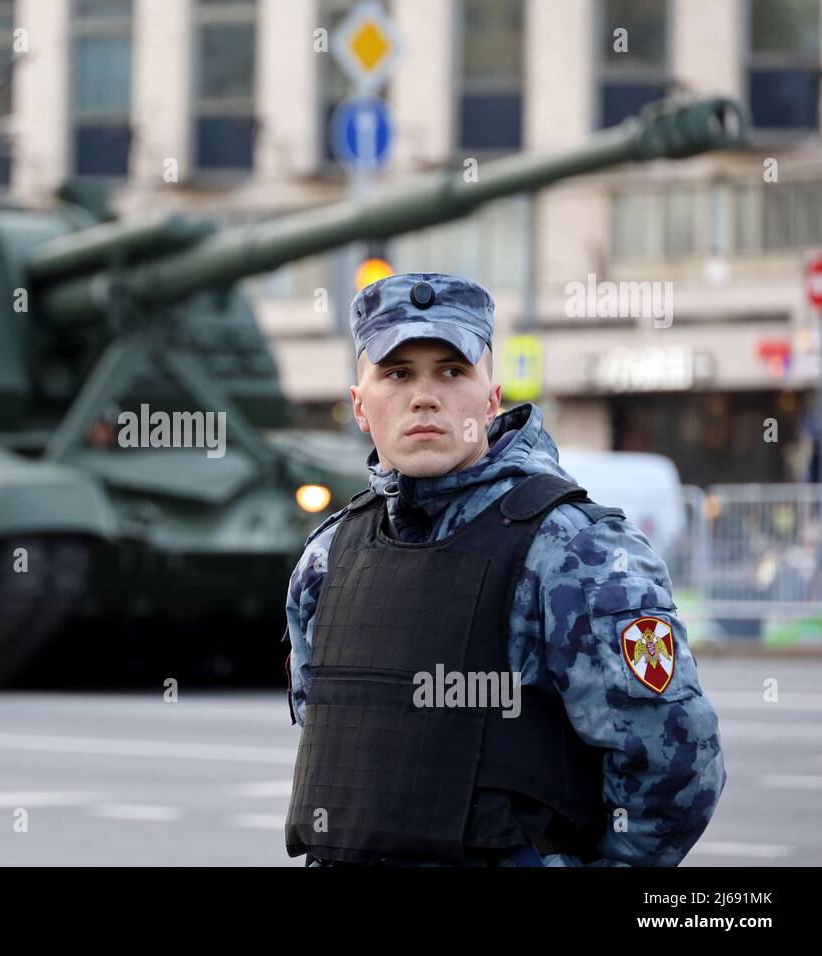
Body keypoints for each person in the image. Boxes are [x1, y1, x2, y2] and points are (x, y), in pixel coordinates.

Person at [282, 272, 725, 867]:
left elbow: (675, 768)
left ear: (491, 401)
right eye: (397, 373)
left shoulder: (575, 550)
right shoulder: (327, 556)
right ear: (360, 407)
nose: (424, 396)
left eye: (452, 370)